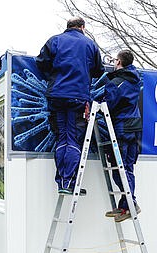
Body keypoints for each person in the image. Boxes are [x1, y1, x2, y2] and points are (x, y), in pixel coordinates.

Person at [36, 17, 104, 195]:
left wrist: (54, 74)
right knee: (73, 139)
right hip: (78, 98)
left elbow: (41, 62)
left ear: (67, 27)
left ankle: (62, 182)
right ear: (82, 27)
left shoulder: (55, 40)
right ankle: (68, 181)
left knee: (62, 138)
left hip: (56, 96)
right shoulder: (90, 45)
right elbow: (99, 70)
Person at [102, 50, 143, 222]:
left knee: (120, 169)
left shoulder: (117, 82)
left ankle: (130, 204)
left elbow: (108, 104)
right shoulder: (135, 79)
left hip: (122, 128)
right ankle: (124, 205)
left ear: (119, 62)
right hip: (135, 127)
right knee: (127, 167)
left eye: (114, 60)